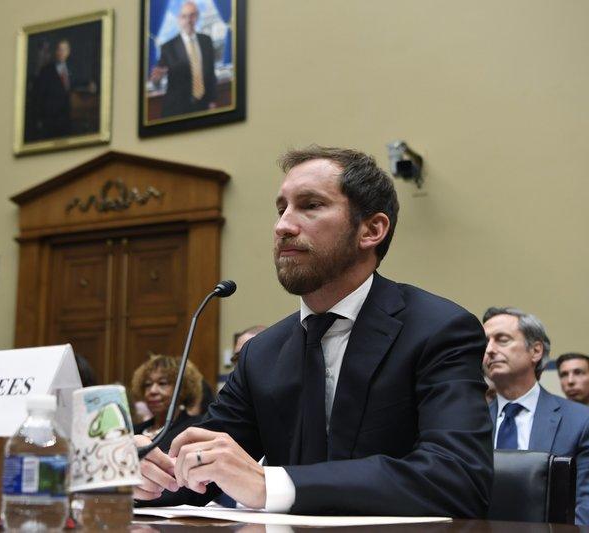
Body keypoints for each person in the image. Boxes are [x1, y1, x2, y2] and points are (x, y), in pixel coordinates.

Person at [135, 145, 493, 517]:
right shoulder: (263, 353)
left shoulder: (439, 329)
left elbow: (458, 478)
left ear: (371, 229)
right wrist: (143, 472)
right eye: (281, 209)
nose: (282, 226)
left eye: (310, 206)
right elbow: (194, 477)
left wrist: (271, 484)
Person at [483, 307, 589, 524]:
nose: (489, 350)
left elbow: (584, 504)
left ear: (536, 351)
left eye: (502, 339)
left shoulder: (580, 421)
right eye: (485, 342)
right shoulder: (470, 423)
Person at [150, 1, 217, 118]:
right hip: (177, 110)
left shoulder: (206, 41)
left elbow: (211, 75)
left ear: (197, 17)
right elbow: (157, 82)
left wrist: (212, 101)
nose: (188, 20)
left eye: (192, 15)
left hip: (204, 107)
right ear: (178, 19)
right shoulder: (168, 47)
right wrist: (156, 79)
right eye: (184, 16)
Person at [131, 355, 203, 452]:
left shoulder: (195, 428)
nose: (152, 391)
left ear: (182, 389)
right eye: (148, 384)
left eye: (162, 383)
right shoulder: (133, 431)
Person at [31, 39, 74, 139]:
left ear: (68, 52)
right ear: (56, 51)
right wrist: (39, 119)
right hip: (50, 121)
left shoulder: (71, 69)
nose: (61, 53)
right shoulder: (46, 71)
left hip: (66, 120)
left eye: (64, 50)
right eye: (59, 49)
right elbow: (39, 97)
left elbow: (72, 86)